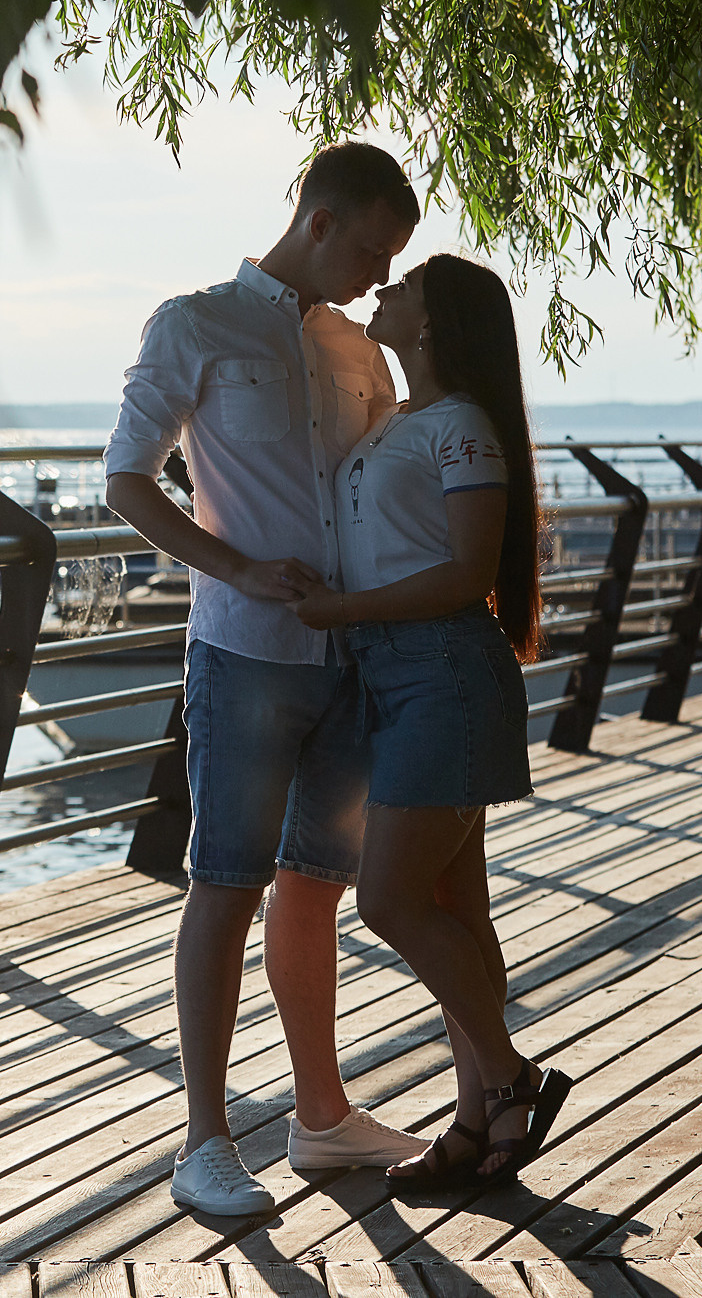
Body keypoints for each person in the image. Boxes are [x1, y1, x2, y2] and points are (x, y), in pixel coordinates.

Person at [104, 141, 429, 1216]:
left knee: (317, 888)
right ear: (323, 221)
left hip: (348, 656)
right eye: (376, 249)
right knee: (225, 882)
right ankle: (201, 1143)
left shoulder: (357, 350)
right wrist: (237, 565)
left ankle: (321, 1119)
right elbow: (126, 481)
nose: (381, 275)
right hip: (241, 653)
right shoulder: (192, 322)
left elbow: (382, 487)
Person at [285, 254, 574, 1188]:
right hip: (395, 679)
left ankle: (511, 1076)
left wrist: (341, 610)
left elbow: (466, 575)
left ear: (435, 322)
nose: (383, 290)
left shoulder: (462, 429)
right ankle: (475, 1119)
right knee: (457, 907)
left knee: (388, 900)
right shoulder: (398, 420)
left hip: (443, 674)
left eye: (403, 285)